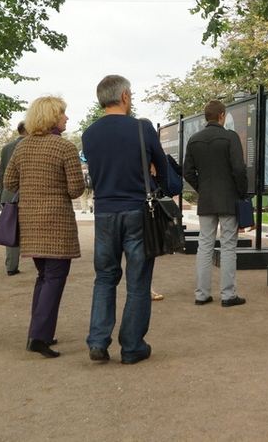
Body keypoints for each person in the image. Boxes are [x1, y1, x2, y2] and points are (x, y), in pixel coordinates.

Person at [82, 75, 167, 364]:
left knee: (104, 277)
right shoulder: (142, 129)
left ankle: (97, 340)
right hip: (138, 210)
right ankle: (132, 346)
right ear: (125, 97)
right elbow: (164, 169)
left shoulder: (89, 133)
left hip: (104, 210)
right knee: (138, 281)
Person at [4, 96, 84, 358]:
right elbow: (75, 190)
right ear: (52, 118)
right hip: (57, 225)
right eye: (63, 114)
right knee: (54, 279)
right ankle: (38, 337)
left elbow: (9, 183)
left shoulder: (22, 147)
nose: (66, 118)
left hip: (30, 224)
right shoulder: (65, 148)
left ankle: (41, 333)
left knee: (43, 277)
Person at [183, 99, 248, 308]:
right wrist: (241, 193)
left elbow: (187, 172)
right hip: (229, 199)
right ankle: (228, 295)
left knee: (205, 246)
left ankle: (202, 294)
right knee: (228, 247)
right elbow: (239, 169)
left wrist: (203, 188)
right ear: (222, 116)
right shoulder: (230, 138)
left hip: (207, 200)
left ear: (205, 117)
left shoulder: (194, 140)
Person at [0, 121, 28, 276]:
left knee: (11, 229)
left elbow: (2, 173)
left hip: (9, 194)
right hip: (28, 194)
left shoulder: (6, 148)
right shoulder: (32, 145)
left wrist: (2, 196)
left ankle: (11, 266)